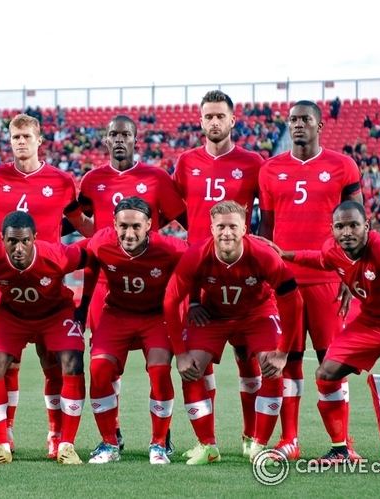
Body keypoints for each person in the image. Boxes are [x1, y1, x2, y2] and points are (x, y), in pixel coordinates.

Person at [263, 200, 380, 466]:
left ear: (366, 226)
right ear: (332, 229)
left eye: (353, 225)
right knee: (326, 373)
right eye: (340, 226)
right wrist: (287, 255)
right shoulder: (332, 250)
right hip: (370, 322)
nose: (347, 232)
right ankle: (340, 450)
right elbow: (320, 260)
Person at [71, 114, 187, 454]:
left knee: (159, 368)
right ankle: (112, 435)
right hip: (109, 283)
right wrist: (103, 242)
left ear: (136, 139)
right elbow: (81, 224)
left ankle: (160, 438)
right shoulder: (92, 179)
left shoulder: (156, 177)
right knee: (105, 367)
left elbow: (186, 221)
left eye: (125, 134)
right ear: (106, 140)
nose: (119, 139)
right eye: (113, 134)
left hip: (152, 281)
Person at [258, 99, 363, 460]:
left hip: (327, 279)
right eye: (293, 120)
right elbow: (266, 228)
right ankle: (290, 442)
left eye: (305, 120)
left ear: (320, 126)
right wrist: (261, 276)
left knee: (330, 361)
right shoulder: (270, 169)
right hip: (284, 282)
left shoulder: (342, 165)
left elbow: (359, 223)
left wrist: (353, 272)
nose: (298, 125)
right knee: (288, 361)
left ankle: (342, 445)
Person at [163, 200, 303, 465]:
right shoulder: (196, 255)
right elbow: (170, 302)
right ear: (211, 229)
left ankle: (259, 445)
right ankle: (208, 445)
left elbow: (293, 300)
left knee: (271, 367)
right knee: (190, 368)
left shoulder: (263, 255)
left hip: (257, 314)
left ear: (244, 229)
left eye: (232, 226)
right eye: (220, 227)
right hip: (213, 316)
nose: (226, 232)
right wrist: (180, 354)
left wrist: (283, 352)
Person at [0, 113, 90, 458]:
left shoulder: (61, 181)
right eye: (15, 136)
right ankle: (6, 434)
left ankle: (55, 435)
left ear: (40, 139)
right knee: (6, 364)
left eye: (27, 136)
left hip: (49, 281)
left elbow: (83, 228)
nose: (21, 142)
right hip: (8, 288)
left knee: (52, 361)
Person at [172, 90, 265, 456]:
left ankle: (250, 439)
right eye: (207, 116)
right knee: (199, 360)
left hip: (244, 273)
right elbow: (178, 208)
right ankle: (206, 443)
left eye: (219, 116)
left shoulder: (253, 162)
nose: (213, 122)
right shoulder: (185, 162)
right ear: (201, 121)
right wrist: (196, 238)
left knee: (249, 360)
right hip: (200, 276)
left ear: (232, 120)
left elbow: (266, 216)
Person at [77, 197, 188, 464]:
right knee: (99, 370)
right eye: (123, 226)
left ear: (149, 225)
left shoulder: (172, 248)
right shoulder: (101, 243)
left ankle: (159, 444)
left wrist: (194, 305)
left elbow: (196, 269)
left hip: (156, 318)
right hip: (116, 314)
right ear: (113, 224)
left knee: (160, 371)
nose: (129, 233)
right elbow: (90, 272)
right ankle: (109, 443)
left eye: (136, 226)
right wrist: (81, 310)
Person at [0, 211, 88, 465]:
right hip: (13, 315)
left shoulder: (57, 255)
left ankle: (64, 443)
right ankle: (0, 444)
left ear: (35, 238)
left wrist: (85, 306)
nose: (19, 248)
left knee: (71, 363)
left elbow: (93, 254)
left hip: (55, 314)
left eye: (25, 241)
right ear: (1, 239)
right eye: (12, 241)